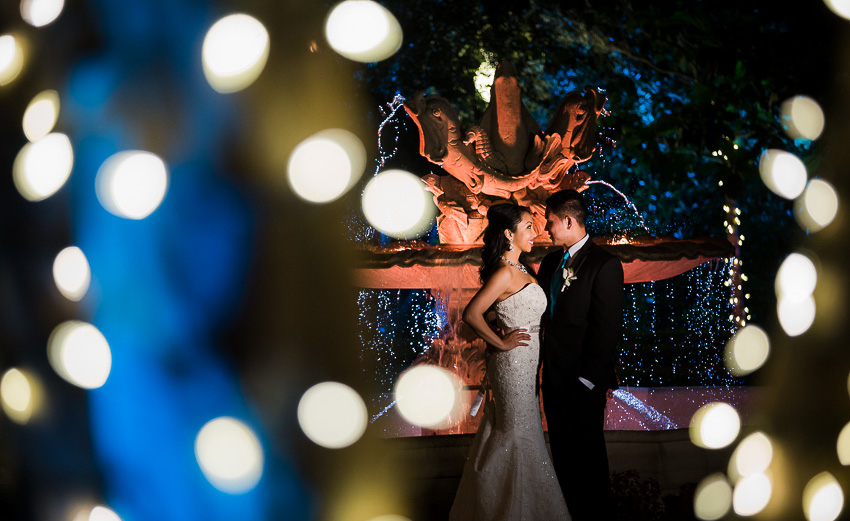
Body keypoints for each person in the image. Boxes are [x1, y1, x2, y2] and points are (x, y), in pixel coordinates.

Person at [449, 203, 570, 521]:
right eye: (529, 226)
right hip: (511, 365)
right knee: (516, 433)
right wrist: (500, 341)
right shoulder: (505, 272)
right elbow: (471, 314)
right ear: (508, 233)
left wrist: (500, 318)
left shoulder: (520, 269)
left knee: (520, 430)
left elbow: (492, 312)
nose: (537, 232)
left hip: (526, 365)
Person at [537, 189, 624, 521]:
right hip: (553, 379)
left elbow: (607, 330)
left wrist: (588, 380)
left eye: (551, 222)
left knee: (588, 458)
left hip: (583, 382)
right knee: (561, 457)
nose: (547, 229)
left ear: (568, 220)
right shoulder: (549, 263)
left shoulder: (605, 265)